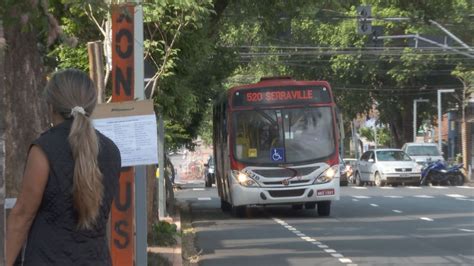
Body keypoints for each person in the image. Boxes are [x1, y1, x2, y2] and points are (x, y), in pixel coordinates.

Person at [6, 69, 121, 266]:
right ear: (92, 105)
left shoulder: (44, 150)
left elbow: (23, 215)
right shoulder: (111, 151)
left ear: (51, 105)